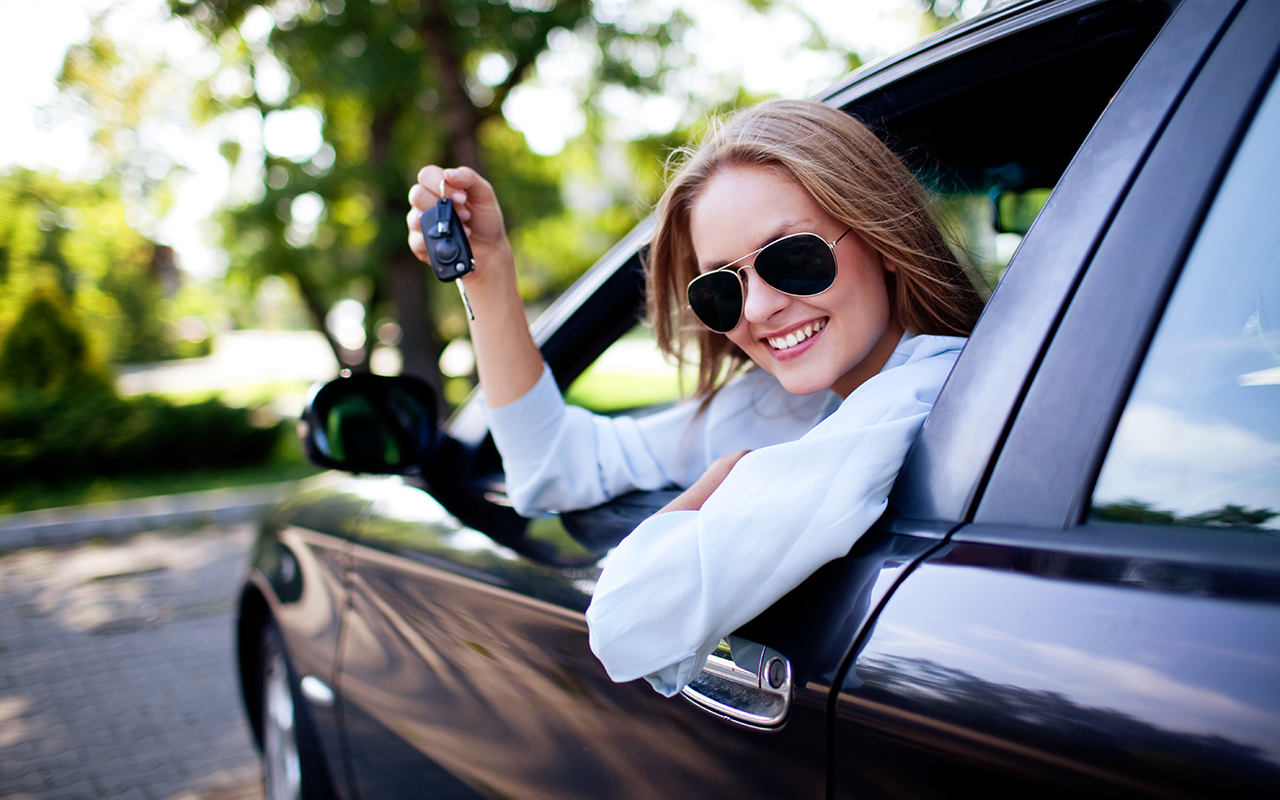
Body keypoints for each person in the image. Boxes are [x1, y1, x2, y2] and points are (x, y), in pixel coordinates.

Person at [407, 98, 984, 696]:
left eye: (795, 257)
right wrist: (487, 272)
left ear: (882, 237)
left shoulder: (921, 399)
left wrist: (716, 488)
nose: (758, 308)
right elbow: (553, 464)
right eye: (723, 288)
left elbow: (626, 621)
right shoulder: (779, 406)